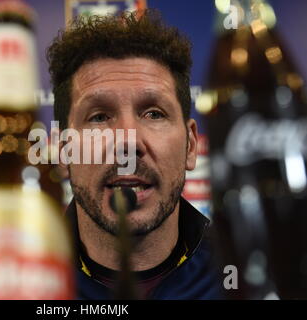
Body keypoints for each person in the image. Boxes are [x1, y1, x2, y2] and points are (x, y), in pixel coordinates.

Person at [46, 9, 224, 299]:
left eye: (154, 114)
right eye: (99, 117)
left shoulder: (245, 274)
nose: (128, 142)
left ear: (190, 146)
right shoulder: (17, 284)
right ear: (64, 152)